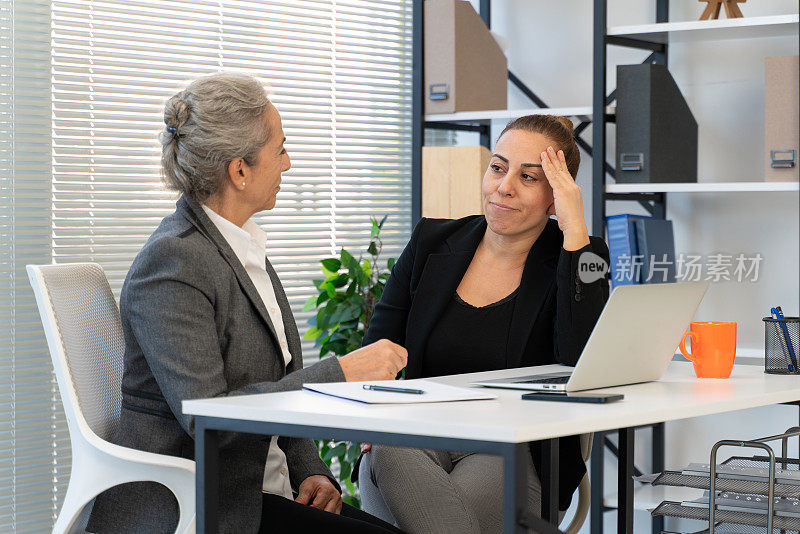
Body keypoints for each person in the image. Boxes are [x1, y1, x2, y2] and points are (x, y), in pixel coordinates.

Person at [86, 72, 407, 534]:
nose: (289, 163)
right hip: (209, 504)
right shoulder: (173, 261)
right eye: (279, 150)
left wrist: (309, 469)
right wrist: (340, 374)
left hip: (262, 490)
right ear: (239, 170)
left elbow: (273, 381)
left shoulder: (243, 246)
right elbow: (209, 417)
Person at [356, 115, 611, 533]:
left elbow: (580, 360)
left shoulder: (584, 253)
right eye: (497, 167)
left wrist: (575, 229)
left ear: (556, 197)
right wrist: (368, 413)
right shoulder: (431, 242)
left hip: (512, 447)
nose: (504, 186)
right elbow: (378, 345)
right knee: (386, 447)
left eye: (528, 177)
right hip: (417, 434)